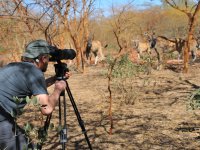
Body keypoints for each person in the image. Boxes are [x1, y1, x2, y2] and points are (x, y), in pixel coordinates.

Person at [0, 39, 69, 149]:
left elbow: (33, 87)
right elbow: (46, 109)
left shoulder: (14, 66)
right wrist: (58, 89)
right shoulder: (35, 72)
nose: (48, 61)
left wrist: (54, 79)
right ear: (43, 58)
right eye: (48, 58)